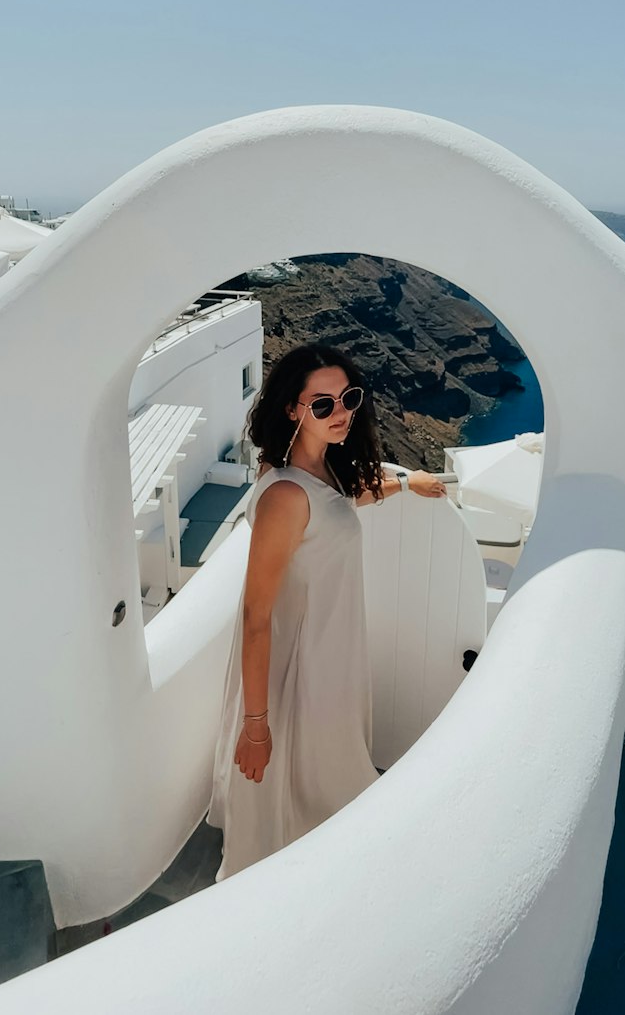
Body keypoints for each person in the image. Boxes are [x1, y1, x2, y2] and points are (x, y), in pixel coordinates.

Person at [206, 342, 447, 881]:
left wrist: (406, 483)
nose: (341, 413)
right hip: (301, 666)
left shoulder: (314, 473)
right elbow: (255, 616)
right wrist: (255, 727)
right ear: (294, 409)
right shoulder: (286, 495)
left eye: (348, 399)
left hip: (326, 653)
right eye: (322, 404)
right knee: (305, 780)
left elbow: (343, 501)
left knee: (322, 774)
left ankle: (323, 870)